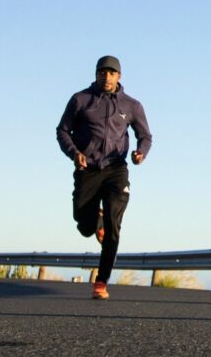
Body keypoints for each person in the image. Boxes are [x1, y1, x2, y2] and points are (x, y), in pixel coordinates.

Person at [56, 55, 153, 299]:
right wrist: (75, 153)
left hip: (116, 170)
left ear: (119, 76)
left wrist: (141, 152)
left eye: (111, 73)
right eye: (102, 72)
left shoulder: (131, 105)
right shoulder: (81, 100)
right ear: (96, 74)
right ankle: (94, 221)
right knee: (84, 225)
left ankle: (101, 282)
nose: (106, 77)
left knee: (113, 224)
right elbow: (62, 130)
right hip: (87, 169)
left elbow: (146, 136)